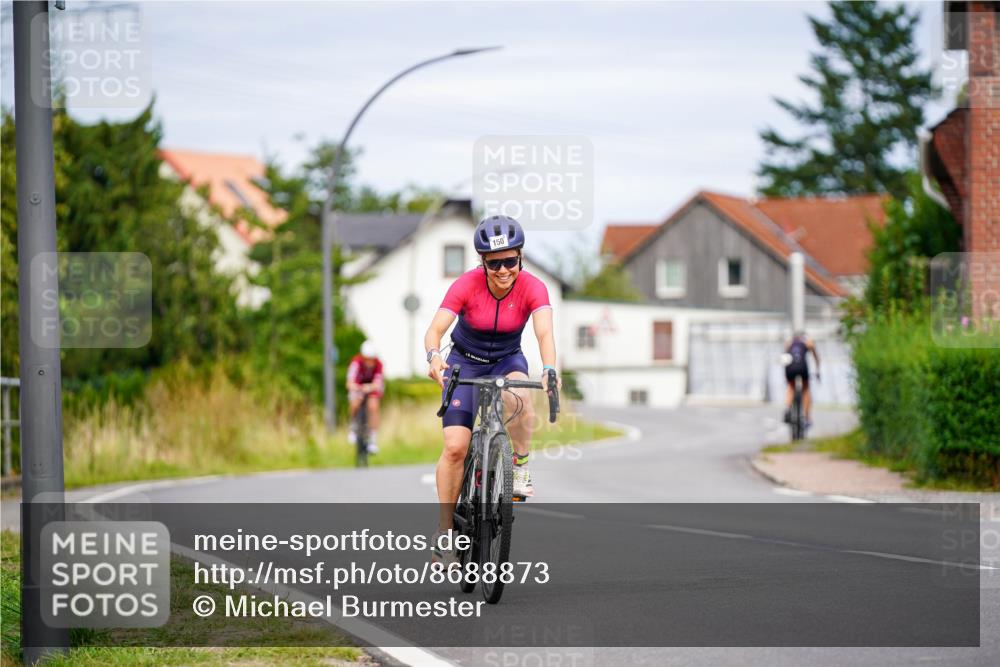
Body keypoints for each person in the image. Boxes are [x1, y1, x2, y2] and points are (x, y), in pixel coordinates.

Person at [424, 214, 559, 567]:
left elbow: (544, 333)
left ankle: (520, 467)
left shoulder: (533, 287)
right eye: (493, 263)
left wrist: (549, 368)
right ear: (482, 262)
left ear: (521, 258)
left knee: (519, 399)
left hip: (506, 359)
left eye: (509, 261)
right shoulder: (466, 285)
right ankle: (444, 534)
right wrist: (434, 357)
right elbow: (434, 330)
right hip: (463, 362)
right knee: (455, 447)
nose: (503, 270)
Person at [346, 341, 384, 454]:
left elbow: (378, 382)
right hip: (358, 388)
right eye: (367, 359)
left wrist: (370, 387)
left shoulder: (378, 364)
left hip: (371, 388)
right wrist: (357, 388)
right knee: (355, 402)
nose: (369, 362)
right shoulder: (356, 363)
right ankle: (353, 426)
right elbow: (349, 382)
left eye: (371, 359)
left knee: (373, 406)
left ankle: (373, 439)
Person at [783, 331, 820, 429]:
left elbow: (784, 356)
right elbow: (816, 357)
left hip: (790, 367)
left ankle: (787, 408)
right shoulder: (808, 341)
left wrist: (785, 374)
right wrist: (817, 370)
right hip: (802, 367)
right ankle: (807, 418)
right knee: (806, 389)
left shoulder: (789, 341)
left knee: (791, 387)